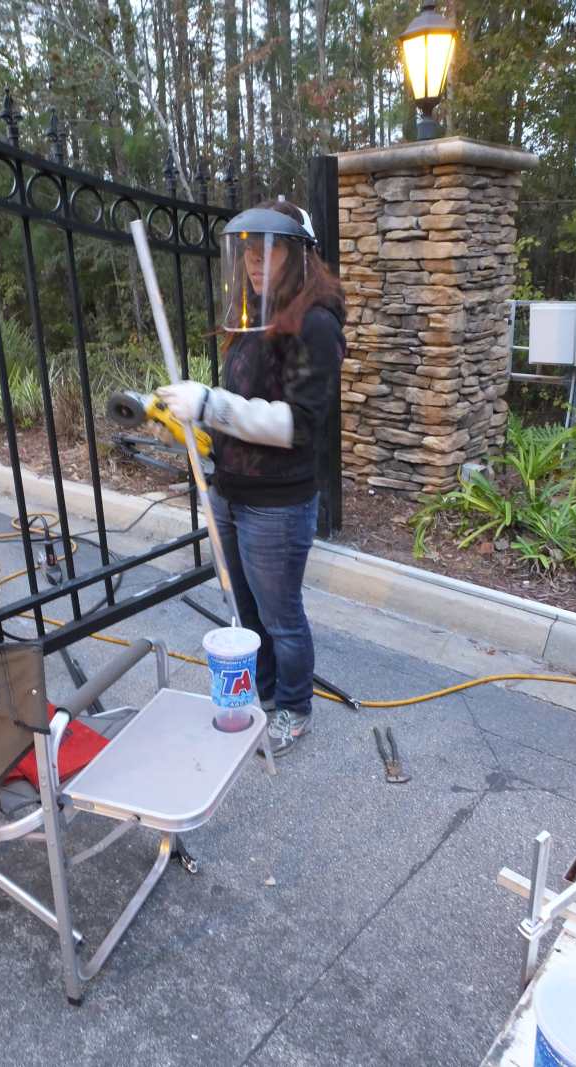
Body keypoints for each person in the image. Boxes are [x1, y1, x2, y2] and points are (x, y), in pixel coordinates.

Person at [158, 199, 346, 757]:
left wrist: (212, 405)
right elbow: (240, 408)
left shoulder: (315, 324)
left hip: (278, 503)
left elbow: (297, 425)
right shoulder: (249, 317)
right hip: (231, 490)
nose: (257, 263)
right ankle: (264, 695)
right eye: (247, 252)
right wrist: (191, 423)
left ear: (299, 254)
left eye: (271, 249)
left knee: (280, 616)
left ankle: (294, 706)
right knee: (244, 608)